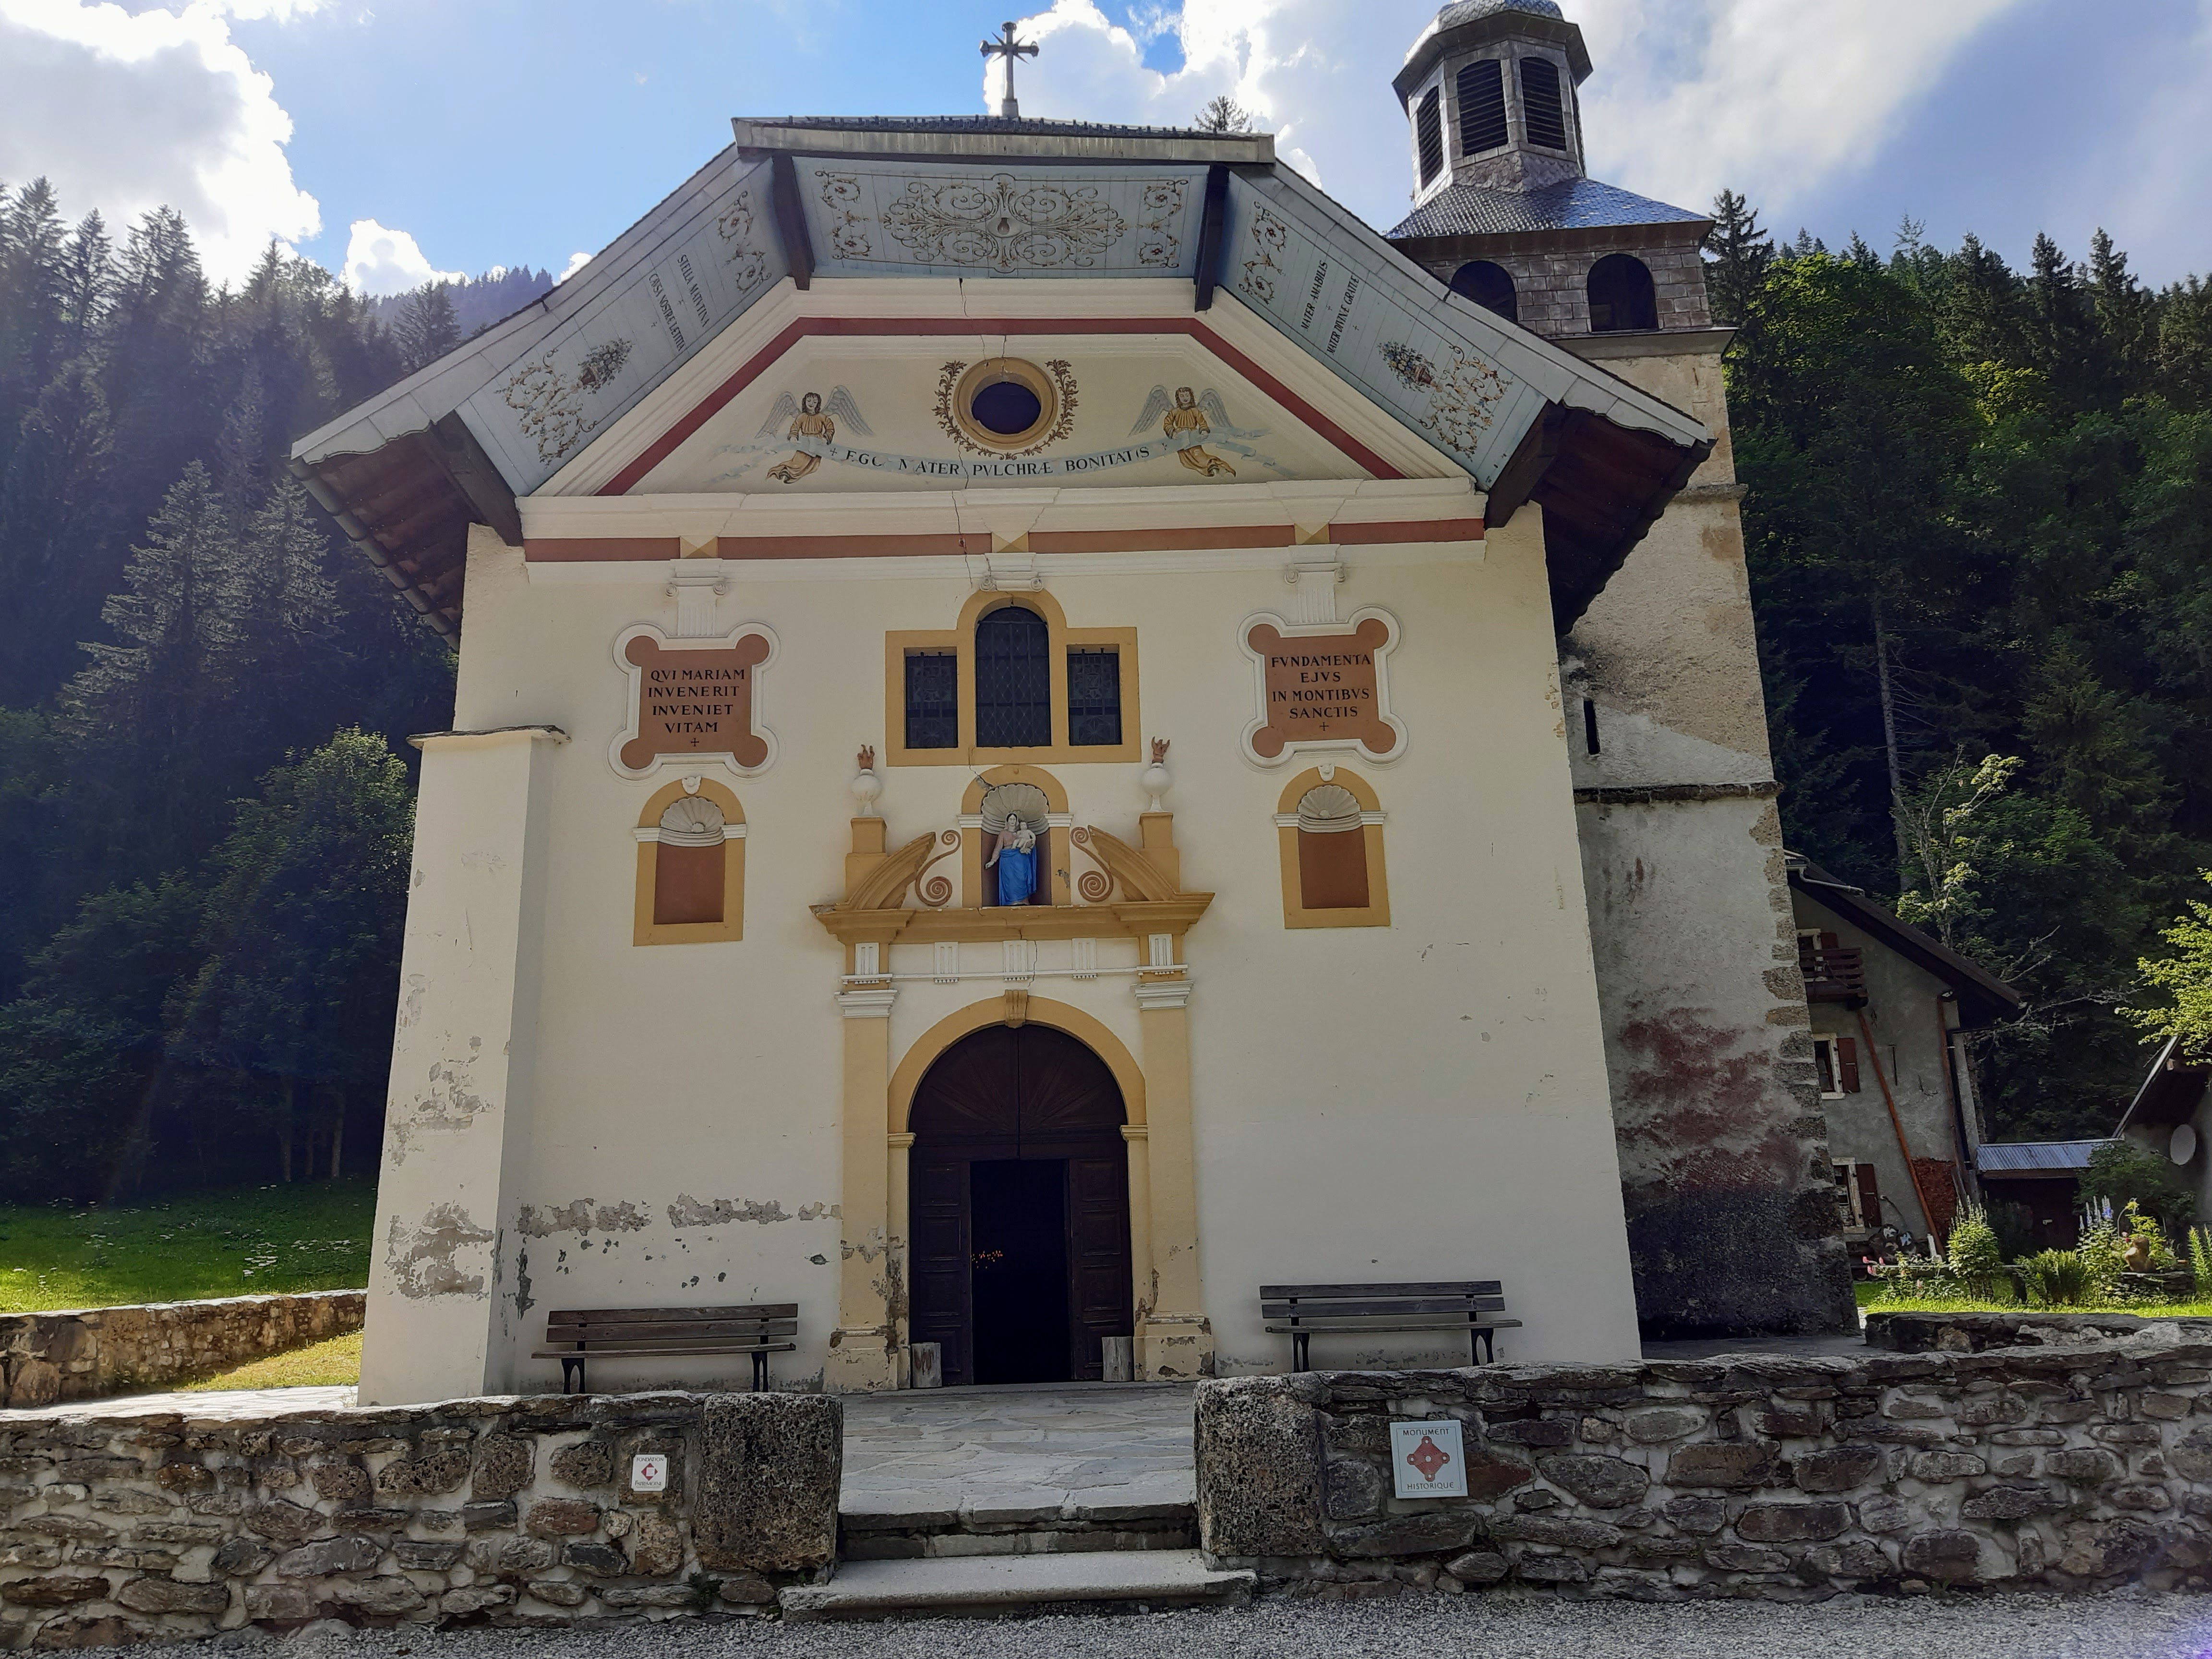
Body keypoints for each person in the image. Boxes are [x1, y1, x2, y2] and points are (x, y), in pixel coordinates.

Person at [988, 818, 1039, 905]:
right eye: (1011, 819)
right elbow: (998, 847)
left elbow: (1031, 842)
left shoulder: (1022, 832)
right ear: (1007, 821)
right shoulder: (1003, 833)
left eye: (1014, 819)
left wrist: (1030, 846)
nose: (1013, 821)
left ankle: (1023, 900)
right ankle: (1013, 901)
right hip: (1008, 859)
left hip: (1021, 859)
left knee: (1023, 878)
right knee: (1010, 879)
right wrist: (993, 860)